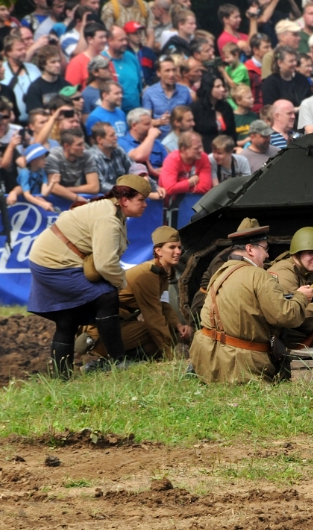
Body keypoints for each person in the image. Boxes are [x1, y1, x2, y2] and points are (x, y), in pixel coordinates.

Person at [27, 174, 151, 377]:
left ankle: (61, 376)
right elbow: (105, 264)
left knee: (68, 317)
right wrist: (122, 283)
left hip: (48, 259)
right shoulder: (109, 218)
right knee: (106, 296)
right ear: (125, 200)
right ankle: (118, 361)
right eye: (141, 200)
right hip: (54, 263)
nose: (145, 204)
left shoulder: (112, 210)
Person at [189, 224, 313, 384]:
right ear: (250, 249)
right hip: (240, 365)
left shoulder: (221, 272)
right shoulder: (259, 275)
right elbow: (286, 316)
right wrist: (301, 297)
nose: (267, 255)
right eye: (264, 248)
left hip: (207, 360)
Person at [79, 225, 192, 371]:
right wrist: (172, 358)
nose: (178, 252)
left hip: (117, 326)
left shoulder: (162, 273)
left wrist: (177, 324)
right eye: (172, 247)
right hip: (101, 332)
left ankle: (114, 365)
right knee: (155, 329)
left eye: (179, 247)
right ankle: (108, 365)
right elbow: (153, 318)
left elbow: (162, 305)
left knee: (164, 332)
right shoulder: (148, 274)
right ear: (158, 251)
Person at [142, 56, 192, 136]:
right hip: (159, 140)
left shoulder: (184, 91)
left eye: (174, 70)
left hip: (181, 138)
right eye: (167, 71)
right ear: (158, 73)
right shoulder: (149, 93)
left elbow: (191, 118)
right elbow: (145, 122)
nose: (171, 74)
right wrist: (159, 121)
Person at [158, 130, 211, 205]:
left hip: (194, 203)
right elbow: (169, 188)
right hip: (170, 205)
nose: (201, 151)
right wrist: (191, 182)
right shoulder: (172, 159)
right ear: (183, 149)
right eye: (196, 148)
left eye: (201, 147)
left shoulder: (203, 157)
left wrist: (179, 185)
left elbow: (206, 187)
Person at [44, 128, 99, 199]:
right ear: (66, 146)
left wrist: (65, 190)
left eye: (83, 143)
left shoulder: (86, 155)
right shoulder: (54, 156)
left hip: (66, 192)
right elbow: (53, 187)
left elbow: (94, 187)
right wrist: (77, 198)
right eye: (79, 145)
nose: (83, 148)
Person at [191, 73, 236, 154]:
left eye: (222, 86)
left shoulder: (226, 107)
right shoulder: (196, 108)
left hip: (226, 151)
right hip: (205, 152)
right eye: (218, 87)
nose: (222, 89)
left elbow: (232, 132)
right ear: (209, 88)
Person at [1, 34, 42, 124]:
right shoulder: (1, 70)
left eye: (24, 49)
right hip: (13, 122)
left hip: (37, 121)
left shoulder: (33, 68)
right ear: (8, 52)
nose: (24, 52)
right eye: (19, 50)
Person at [102, 25, 143, 113]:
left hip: (135, 111)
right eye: (121, 40)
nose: (125, 43)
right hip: (114, 111)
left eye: (126, 39)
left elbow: (139, 87)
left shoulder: (131, 57)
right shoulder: (102, 60)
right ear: (109, 40)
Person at [118, 108, 166, 175]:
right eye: (147, 124)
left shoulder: (156, 143)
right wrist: (151, 136)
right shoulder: (122, 142)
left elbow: (170, 165)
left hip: (160, 180)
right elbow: (138, 156)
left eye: (151, 124)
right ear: (134, 125)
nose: (151, 127)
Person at [24, 45, 72, 113]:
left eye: (58, 61)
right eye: (53, 62)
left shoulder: (66, 84)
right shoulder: (35, 88)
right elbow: (35, 114)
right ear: (43, 64)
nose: (57, 65)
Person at [89, 122, 134, 192]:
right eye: (112, 135)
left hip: (123, 195)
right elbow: (101, 186)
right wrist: (125, 190)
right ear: (99, 140)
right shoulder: (92, 158)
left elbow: (133, 168)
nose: (116, 138)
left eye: (115, 134)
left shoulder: (118, 150)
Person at [64, 22, 109, 89]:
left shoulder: (105, 59)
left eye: (105, 37)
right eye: (101, 37)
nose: (105, 40)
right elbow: (71, 90)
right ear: (90, 39)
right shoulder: (76, 63)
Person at [17, 143, 57, 211]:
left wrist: (52, 183)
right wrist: (42, 204)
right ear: (33, 161)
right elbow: (27, 195)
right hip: (23, 205)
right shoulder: (25, 173)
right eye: (42, 158)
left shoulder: (42, 171)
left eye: (44, 157)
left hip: (36, 203)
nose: (45, 160)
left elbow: (44, 193)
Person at [124, 21, 157, 87]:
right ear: (127, 36)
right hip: (132, 89)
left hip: (149, 88)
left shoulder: (148, 52)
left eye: (140, 33)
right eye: (135, 33)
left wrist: (150, 85)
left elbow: (157, 71)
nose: (139, 35)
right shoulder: (124, 53)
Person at [81, 55, 113, 122]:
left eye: (108, 67)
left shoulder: (113, 86)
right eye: (105, 68)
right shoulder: (86, 94)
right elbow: (86, 121)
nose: (110, 70)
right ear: (95, 72)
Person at [243, 32, 270, 113]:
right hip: (255, 112)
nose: (270, 50)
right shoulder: (247, 69)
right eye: (266, 47)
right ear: (255, 50)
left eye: (270, 46)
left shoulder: (273, 67)